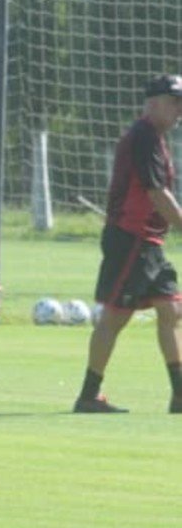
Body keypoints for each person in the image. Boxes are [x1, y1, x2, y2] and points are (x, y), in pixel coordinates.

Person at [74, 74, 182, 414]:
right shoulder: (144, 136)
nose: (179, 110)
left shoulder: (155, 138)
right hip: (131, 238)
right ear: (153, 103)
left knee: (171, 310)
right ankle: (88, 395)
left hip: (149, 241)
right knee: (115, 317)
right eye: (174, 102)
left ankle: (180, 395)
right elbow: (156, 192)